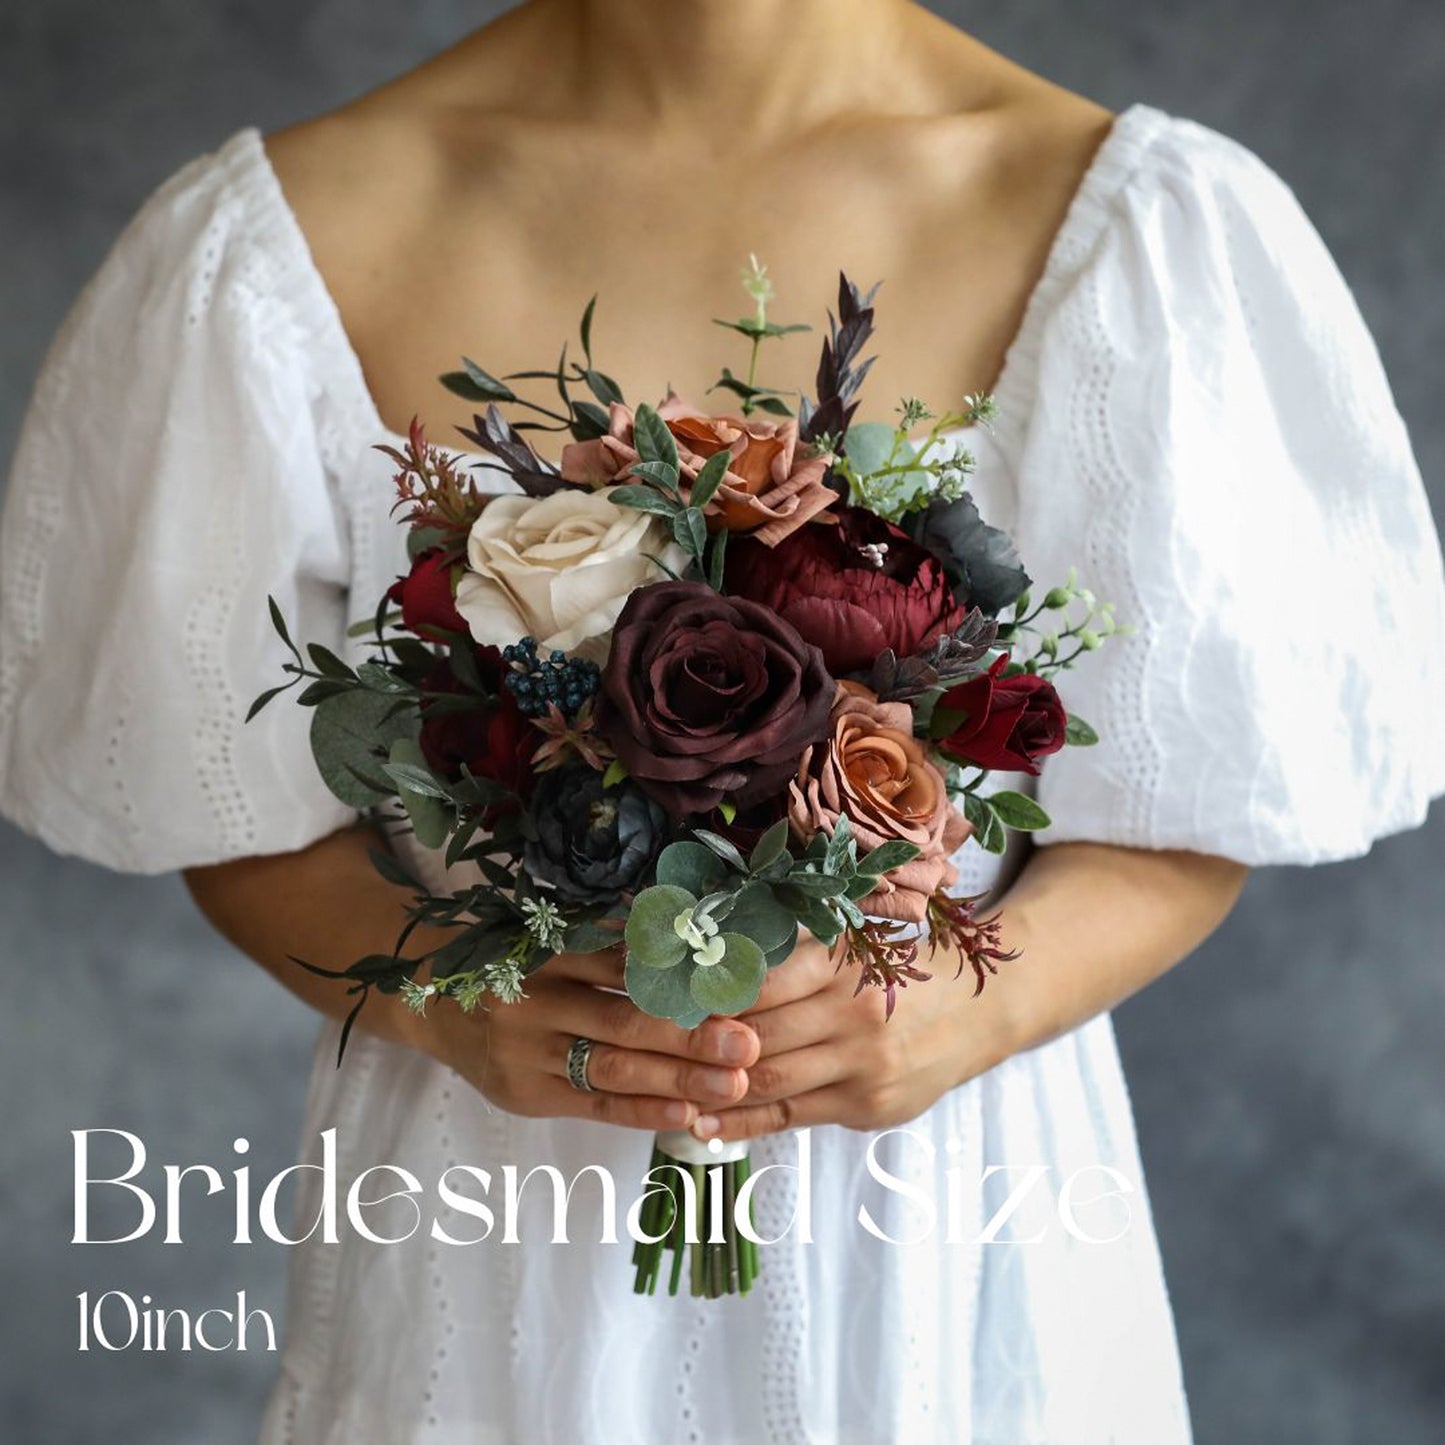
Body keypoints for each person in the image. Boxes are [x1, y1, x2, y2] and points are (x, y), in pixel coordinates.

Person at [3, 1, 1442, 1440]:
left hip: (949, 1234)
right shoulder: (286, 235)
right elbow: (218, 804)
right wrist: (447, 999)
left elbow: (1197, 809)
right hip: (496, 1217)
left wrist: (974, 1003)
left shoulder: (1133, 224)